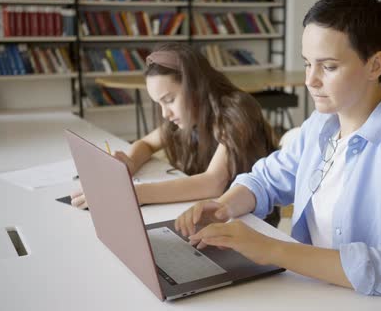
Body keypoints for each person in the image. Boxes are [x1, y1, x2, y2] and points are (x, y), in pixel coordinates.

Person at [175, 0, 381, 311]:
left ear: (375, 65)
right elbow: (268, 178)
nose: (311, 80)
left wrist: (271, 250)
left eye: (329, 67)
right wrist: (223, 206)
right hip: (323, 294)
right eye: (308, 63)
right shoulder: (320, 125)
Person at [70, 42, 280, 226]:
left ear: (195, 87)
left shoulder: (236, 110)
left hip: (251, 224)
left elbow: (213, 182)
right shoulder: (189, 117)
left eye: (169, 100)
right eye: (159, 104)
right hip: (211, 216)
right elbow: (147, 143)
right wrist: (130, 162)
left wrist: (134, 193)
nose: (165, 113)